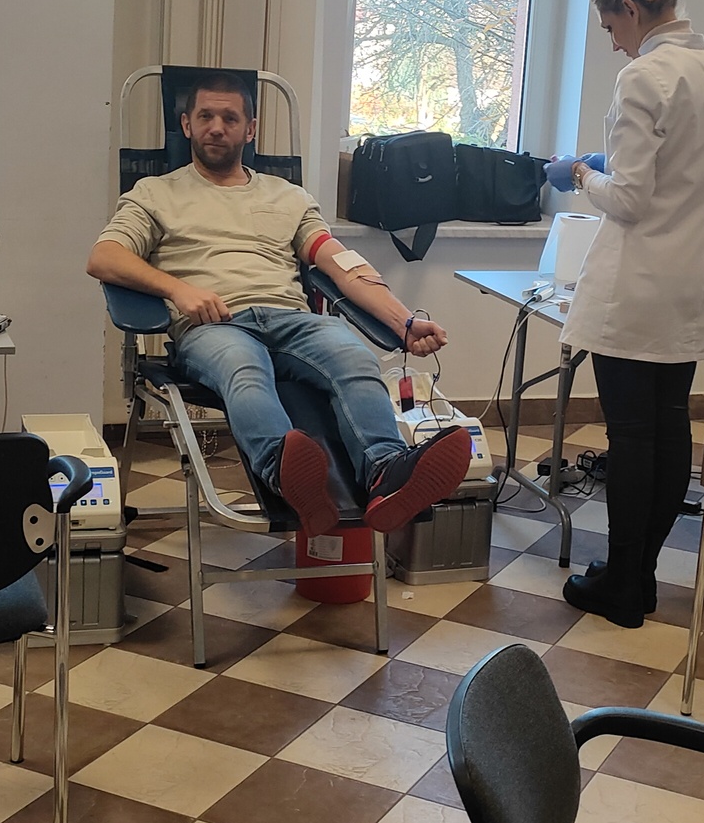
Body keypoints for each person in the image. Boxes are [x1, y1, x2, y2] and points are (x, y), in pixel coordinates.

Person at [87, 72, 471, 536]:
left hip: (292, 320)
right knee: (244, 369)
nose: (216, 127)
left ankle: (386, 473)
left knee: (355, 358)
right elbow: (105, 257)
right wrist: (178, 290)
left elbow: (342, 266)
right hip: (215, 326)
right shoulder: (154, 193)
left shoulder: (289, 197)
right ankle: (287, 477)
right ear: (186, 125)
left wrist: (404, 321)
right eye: (205, 116)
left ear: (250, 129)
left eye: (230, 118)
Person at [548, 0, 704, 627]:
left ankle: (622, 586)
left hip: (636, 289)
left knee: (632, 440)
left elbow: (631, 200)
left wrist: (581, 173)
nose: (613, 44)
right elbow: (682, 178)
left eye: (611, 27)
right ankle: (640, 576)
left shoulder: (643, 77)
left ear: (631, 10)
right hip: (693, 283)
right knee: (668, 432)